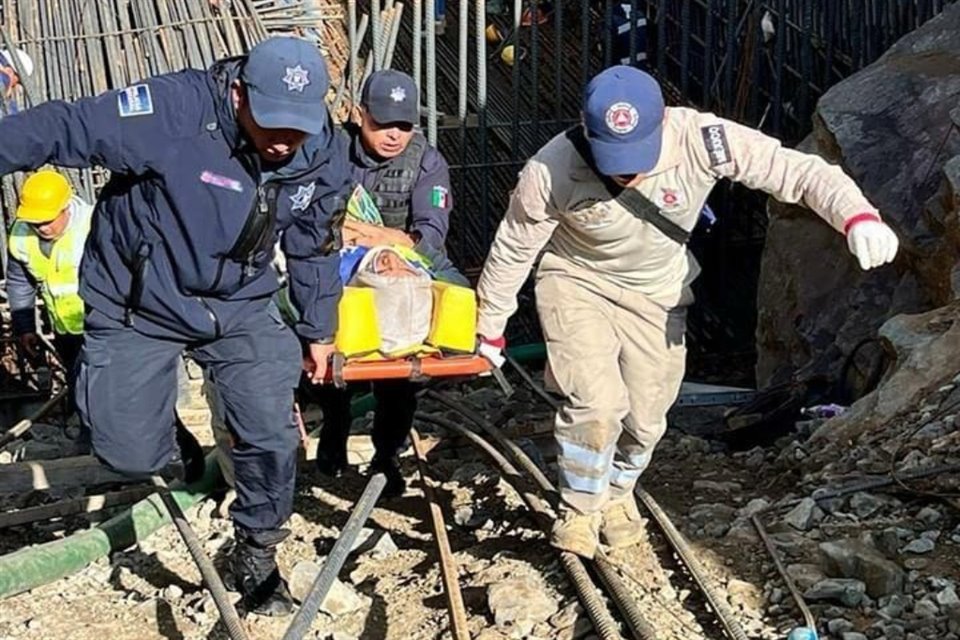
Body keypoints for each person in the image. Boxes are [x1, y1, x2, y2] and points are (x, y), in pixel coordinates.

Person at [474, 65, 899, 559]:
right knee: (595, 401)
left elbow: (795, 170)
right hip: (577, 281)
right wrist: (491, 329)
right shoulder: (549, 170)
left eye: (635, 157)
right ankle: (580, 506)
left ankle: (617, 492)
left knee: (647, 413)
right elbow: (513, 249)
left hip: (657, 290)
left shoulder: (702, 138)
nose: (624, 170)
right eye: (612, 158)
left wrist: (855, 214)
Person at [0, 37, 350, 615]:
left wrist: (320, 329)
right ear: (239, 93)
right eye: (271, 123)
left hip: (240, 304)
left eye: (300, 126)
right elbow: (65, 126)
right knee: (129, 453)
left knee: (271, 433)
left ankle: (257, 549)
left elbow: (315, 247)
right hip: (140, 304)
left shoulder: (323, 154)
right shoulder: (173, 111)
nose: (285, 140)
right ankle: (167, 430)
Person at [312, 69, 454, 498]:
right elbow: (311, 222)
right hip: (336, 270)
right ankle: (334, 424)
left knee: (400, 373)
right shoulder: (328, 150)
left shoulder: (426, 162)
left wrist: (371, 237)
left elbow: (427, 238)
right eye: (382, 124)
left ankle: (386, 455)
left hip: (402, 277)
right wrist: (371, 240)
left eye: (404, 126)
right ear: (359, 115)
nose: (394, 135)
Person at [7, 170, 92, 380]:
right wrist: (26, 327)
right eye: (35, 222)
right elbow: (20, 283)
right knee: (79, 386)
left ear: (66, 208)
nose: (41, 228)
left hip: (105, 329)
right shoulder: (21, 234)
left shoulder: (93, 226)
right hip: (66, 332)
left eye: (47, 220)